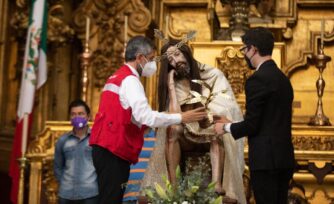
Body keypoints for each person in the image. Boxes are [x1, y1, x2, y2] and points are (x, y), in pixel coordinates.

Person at [89, 36, 207, 204]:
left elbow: (126, 114)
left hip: (103, 147)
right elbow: (145, 116)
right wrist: (182, 117)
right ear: (139, 58)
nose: (153, 64)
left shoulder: (116, 77)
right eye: (151, 59)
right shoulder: (130, 80)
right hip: (113, 150)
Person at [141, 39, 246, 203]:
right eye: (171, 60)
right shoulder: (174, 81)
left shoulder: (212, 75)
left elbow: (226, 109)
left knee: (216, 131)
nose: (176, 61)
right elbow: (175, 116)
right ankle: (173, 187)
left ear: (186, 52)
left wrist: (207, 115)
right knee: (173, 128)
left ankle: (216, 186)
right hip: (186, 136)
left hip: (208, 129)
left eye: (177, 55)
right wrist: (170, 86)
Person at [215, 27, 295, 204]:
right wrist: (233, 123)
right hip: (284, 158)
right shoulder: (283, 79)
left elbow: (253, 125)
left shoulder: (257, 79)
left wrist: (225, 127)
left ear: (253, 49)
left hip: (266, 160)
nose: (244, 54)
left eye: (244, 49)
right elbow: (268, 119)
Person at [54, 99, 98, 204]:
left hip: (90, 194)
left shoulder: (96, 139)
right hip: (66, 195)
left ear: (88, 117)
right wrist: (65, 183)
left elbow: (102, 166)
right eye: (73, 114)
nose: (77, 117)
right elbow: (58, 167)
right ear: (70, 118)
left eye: (80, 114)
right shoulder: (62, 140)